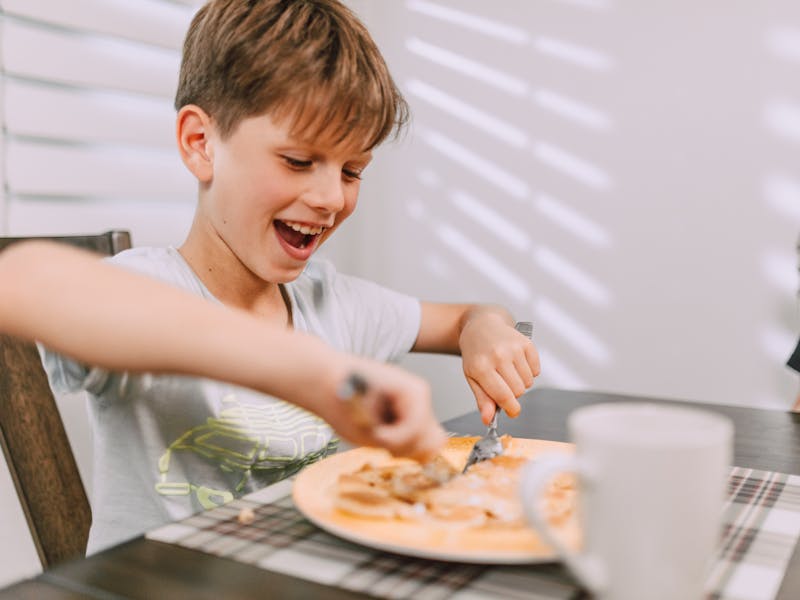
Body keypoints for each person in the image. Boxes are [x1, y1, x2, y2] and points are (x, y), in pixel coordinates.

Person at [3, 0, 539, 554]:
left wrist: (485, 329)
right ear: (200, 143)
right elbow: (24, 280)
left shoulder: (332, 305)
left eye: (352, 170)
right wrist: (317, 376)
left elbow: (467, 318)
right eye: (298, 161)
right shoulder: (150, 287)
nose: (331, 198)